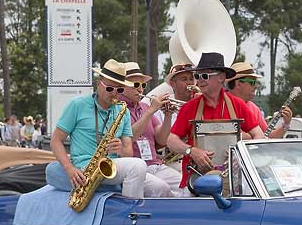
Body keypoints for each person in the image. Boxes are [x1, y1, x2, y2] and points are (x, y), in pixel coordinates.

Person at [50, 59, 147, 200]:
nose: (114, 93)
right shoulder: (77, 105)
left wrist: (120, 150)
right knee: (137, 167)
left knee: (160, 187)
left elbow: (128, 153)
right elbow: (56, 141)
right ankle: (129, 214)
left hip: (111, 166)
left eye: (119, 90)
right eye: (109, 88)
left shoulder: (122, 110)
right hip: (85, 166)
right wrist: (69, 169)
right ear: (98, 84)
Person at [166, 52, 265, 191]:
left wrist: (242, 154)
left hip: (233, 181)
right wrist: (191, 151)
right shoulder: (189, 107)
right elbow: (170, 140)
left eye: (205, 76)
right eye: (197, 76)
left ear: (221, 77)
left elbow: (259, 135)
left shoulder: (238, 104)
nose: (200, 81)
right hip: (195, 181)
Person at [119, 62, 181, 197]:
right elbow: (129, 138)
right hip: (136, 169)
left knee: (185, 186)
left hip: (155, 165)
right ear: (122, 86)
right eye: (136, 85)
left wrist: (168, 116)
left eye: (143, 85)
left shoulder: (145, 107)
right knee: (161, 188)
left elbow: (162, 140)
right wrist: (151, 111)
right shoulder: (117, 109)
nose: (140, 89)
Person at [227, 61, 292, 138]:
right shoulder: (222, 104)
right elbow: (230, 135)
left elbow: (267, 136)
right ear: (238, 84)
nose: (256, 86)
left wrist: (286, 124)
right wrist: (254, 135)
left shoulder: (254, 108)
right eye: (252, 82)